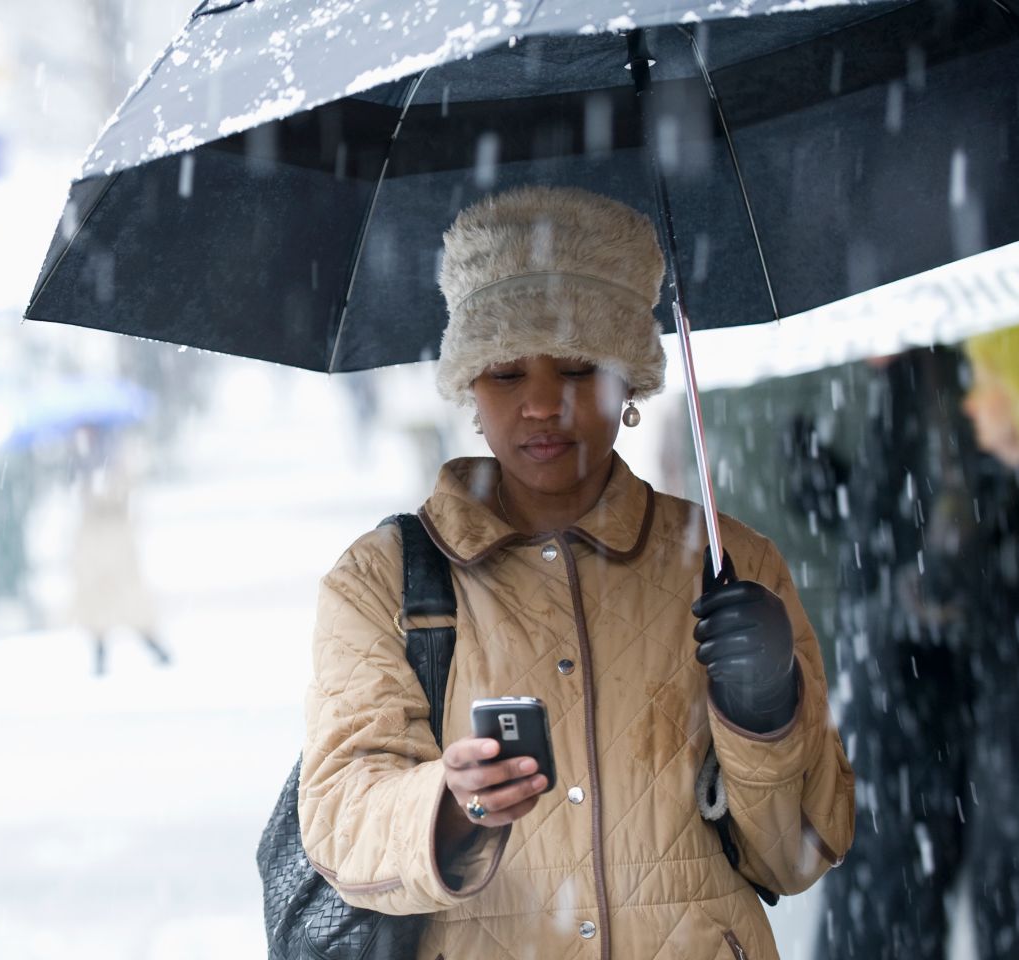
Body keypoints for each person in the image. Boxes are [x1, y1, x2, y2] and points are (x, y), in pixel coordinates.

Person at [296, 187, 855, 959]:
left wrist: (768, 712)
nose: (541, 403)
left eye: (577, 367)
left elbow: (798, 855)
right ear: (467, 387)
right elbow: (339, 823)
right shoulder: (380, 581)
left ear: (631, 381)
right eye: (505, 373)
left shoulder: (731, 565)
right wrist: (451, 806)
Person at [813, 319, 1019, 959]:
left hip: (994, 658)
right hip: (900, 667)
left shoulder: (969, 350)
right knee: (894, 873)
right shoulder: (877, 382)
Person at [67, 424, 172, 676]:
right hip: (93, 543)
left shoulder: (117, 455)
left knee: (128, 597)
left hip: (116, 541)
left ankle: (153, 645)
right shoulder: (80, 458)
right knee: (96, 599)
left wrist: (99, 488)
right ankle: (101, 652)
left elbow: (121, 494)